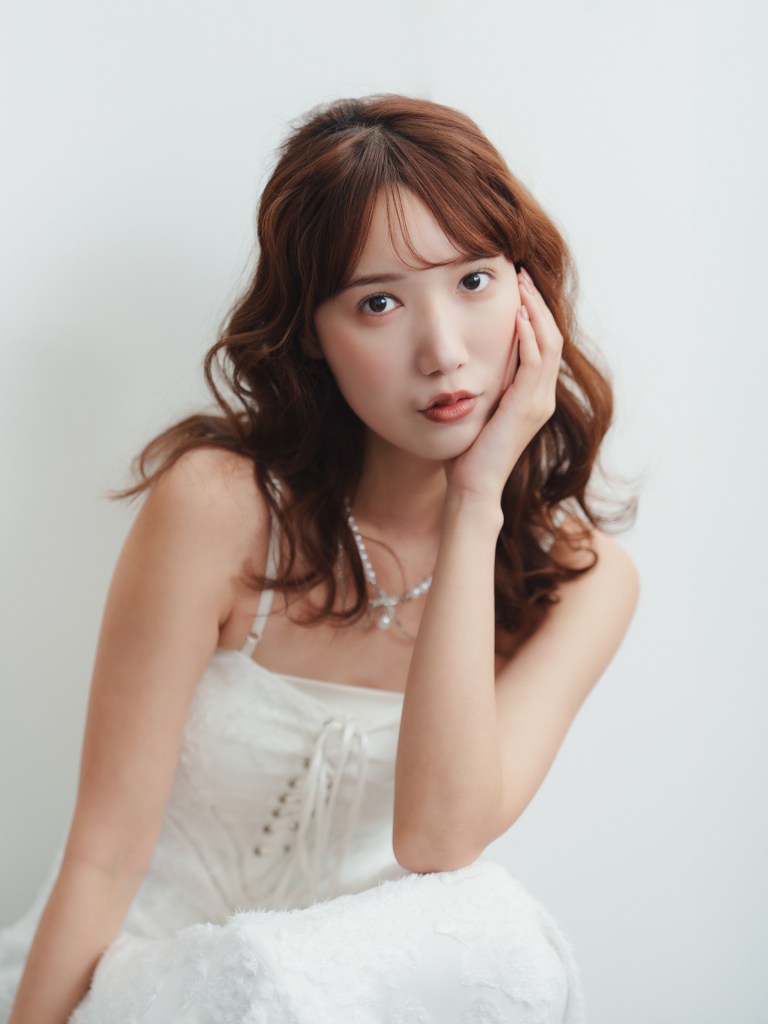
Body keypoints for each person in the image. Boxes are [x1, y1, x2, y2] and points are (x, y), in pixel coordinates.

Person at [1, 94, 639, 1023]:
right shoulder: (221, 509)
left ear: (527, 292)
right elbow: (102, 858)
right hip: (150, 989)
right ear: (311, 332)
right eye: (379, 302)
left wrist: (475, 507)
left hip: (344, 1003)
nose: (443, 351)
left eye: (473, 280)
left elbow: (438, 839)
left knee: (503, 935)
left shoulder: (580, 582)